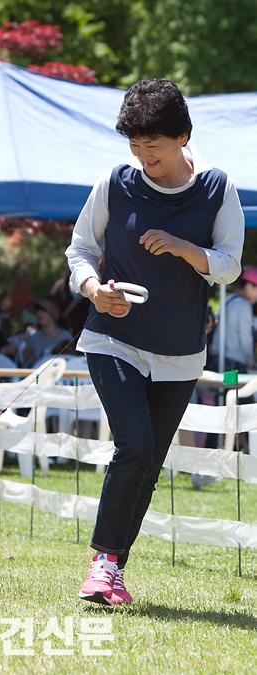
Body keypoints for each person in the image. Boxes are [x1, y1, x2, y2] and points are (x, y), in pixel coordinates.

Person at [66, 79, 244, 605]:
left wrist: (184, 247)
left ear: (183, 137)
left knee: (150, 462)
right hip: (113, 338)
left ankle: (113, 570)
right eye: (135, 148)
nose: (144, 159)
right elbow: (80, 249)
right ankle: (101, 564)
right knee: (135, 445)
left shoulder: (217, 188)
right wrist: (94, 289)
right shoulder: (115, 183)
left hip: (181, 349)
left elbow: (230, 265)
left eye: (155, 148)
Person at [210, 268, 257, 373]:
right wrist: (251, 362)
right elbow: (246, 341)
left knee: (228, 388)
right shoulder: (243, 305)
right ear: (249, 286)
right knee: (239, 387)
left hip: (218, 361)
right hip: (233, 366)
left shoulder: (230, 299)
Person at [21, 296, 72, 367]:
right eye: (37, 309)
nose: (38, 312)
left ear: (52, 313)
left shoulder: (65, 336)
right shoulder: (33, 338)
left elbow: (72, 361)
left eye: (43, 310)